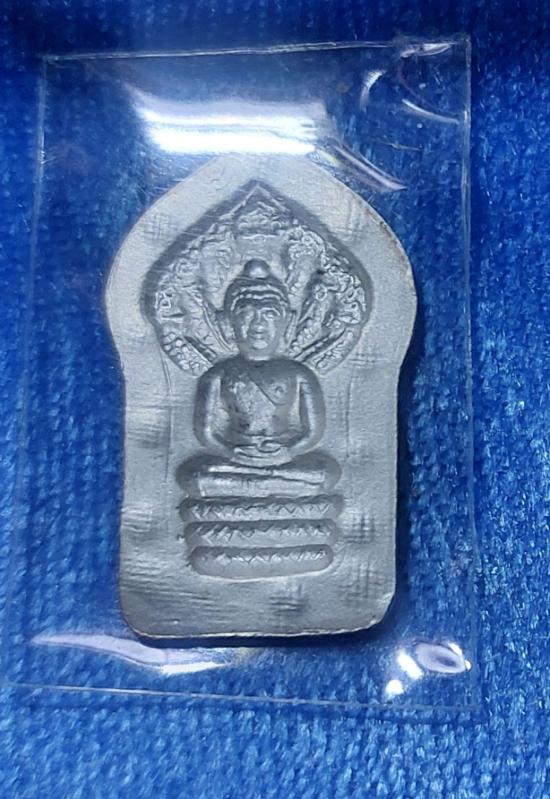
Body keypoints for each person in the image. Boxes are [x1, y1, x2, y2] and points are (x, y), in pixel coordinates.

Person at [177, 259, 340, 498]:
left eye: (269, 314)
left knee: (325, 472)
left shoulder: (299, 374)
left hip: (283, 458)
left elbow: (312, 432)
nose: (258, 324)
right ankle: (274, 488)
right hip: (236, 459)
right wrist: (233, 452)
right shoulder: (218, 375)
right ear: (226, 323)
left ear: (288, 322)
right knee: (195, 475)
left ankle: (257, 486)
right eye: (246, 313)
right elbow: (206, 433)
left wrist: (287, 452)